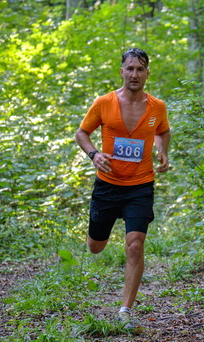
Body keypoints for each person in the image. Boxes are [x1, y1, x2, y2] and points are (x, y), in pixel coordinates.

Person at [75, 47, 171, 327]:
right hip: (108, 184)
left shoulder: (157, 107)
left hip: (140, 185)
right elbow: (82, 133)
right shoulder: (104, 102)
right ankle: (97, 236)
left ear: (147, 73)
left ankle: (124, 311)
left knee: (135, 245)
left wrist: (162, 150)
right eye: (130, 69)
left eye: (140, 69)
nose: (134, 74)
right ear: (122, 71)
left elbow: (163, 131)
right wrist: (94, 155)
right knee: (95, 246)